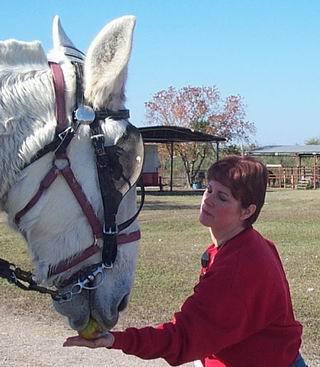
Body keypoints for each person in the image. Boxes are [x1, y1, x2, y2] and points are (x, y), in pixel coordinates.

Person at [64, 155, 307, 367]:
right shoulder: (245, 245)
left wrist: (116, 340)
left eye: (222, 197)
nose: (208, 200)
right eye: (209, 190)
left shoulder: (239, 268)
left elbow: (181, 339)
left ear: (247, 211)